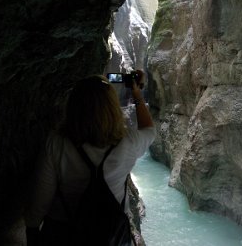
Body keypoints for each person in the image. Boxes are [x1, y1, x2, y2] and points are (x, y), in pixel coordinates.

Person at [25, 72, 155, 245]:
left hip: (64, 234)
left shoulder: (57, 143)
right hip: (110, 234)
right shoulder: (128, 142)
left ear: (73, 106)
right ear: (112, 107)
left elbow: (38, 204)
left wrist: (32, 230)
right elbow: (149, 130)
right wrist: (137, 93)